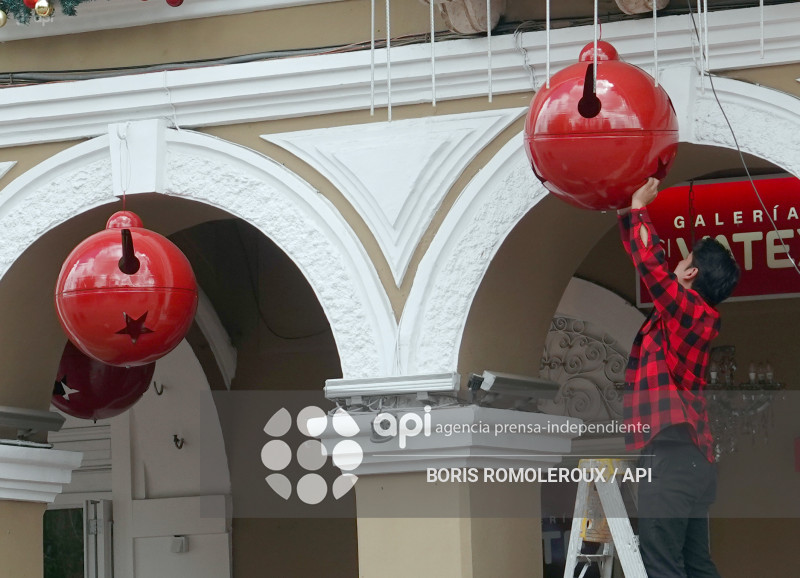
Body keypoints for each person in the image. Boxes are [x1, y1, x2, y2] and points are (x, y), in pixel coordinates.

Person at [618, 177, 740, 578]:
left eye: (684, 260)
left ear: (689, 272)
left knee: (662, 565)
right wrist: (627, 214)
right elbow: (650, 267)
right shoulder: (688, 318)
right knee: (695, 565)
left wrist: (638, 208)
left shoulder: (689, 313)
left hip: (671, 459)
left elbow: (650, 267)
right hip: (691, 460)